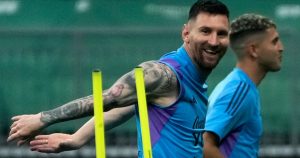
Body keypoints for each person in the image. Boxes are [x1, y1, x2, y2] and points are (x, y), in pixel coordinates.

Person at [8, 0, 230, 157]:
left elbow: (127, 107)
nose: (213, 41)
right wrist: (43, 118)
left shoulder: (195, 80)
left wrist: (77, 138)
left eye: (221, 33)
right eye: (205, 31)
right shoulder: (164, 75)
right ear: (186, 33)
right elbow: (109, 98)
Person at [202, 13, 284, 158]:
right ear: (253, 50)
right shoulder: (239, 90)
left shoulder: (241, 86)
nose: (281, 48)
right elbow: (205, 146)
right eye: (274, 41)